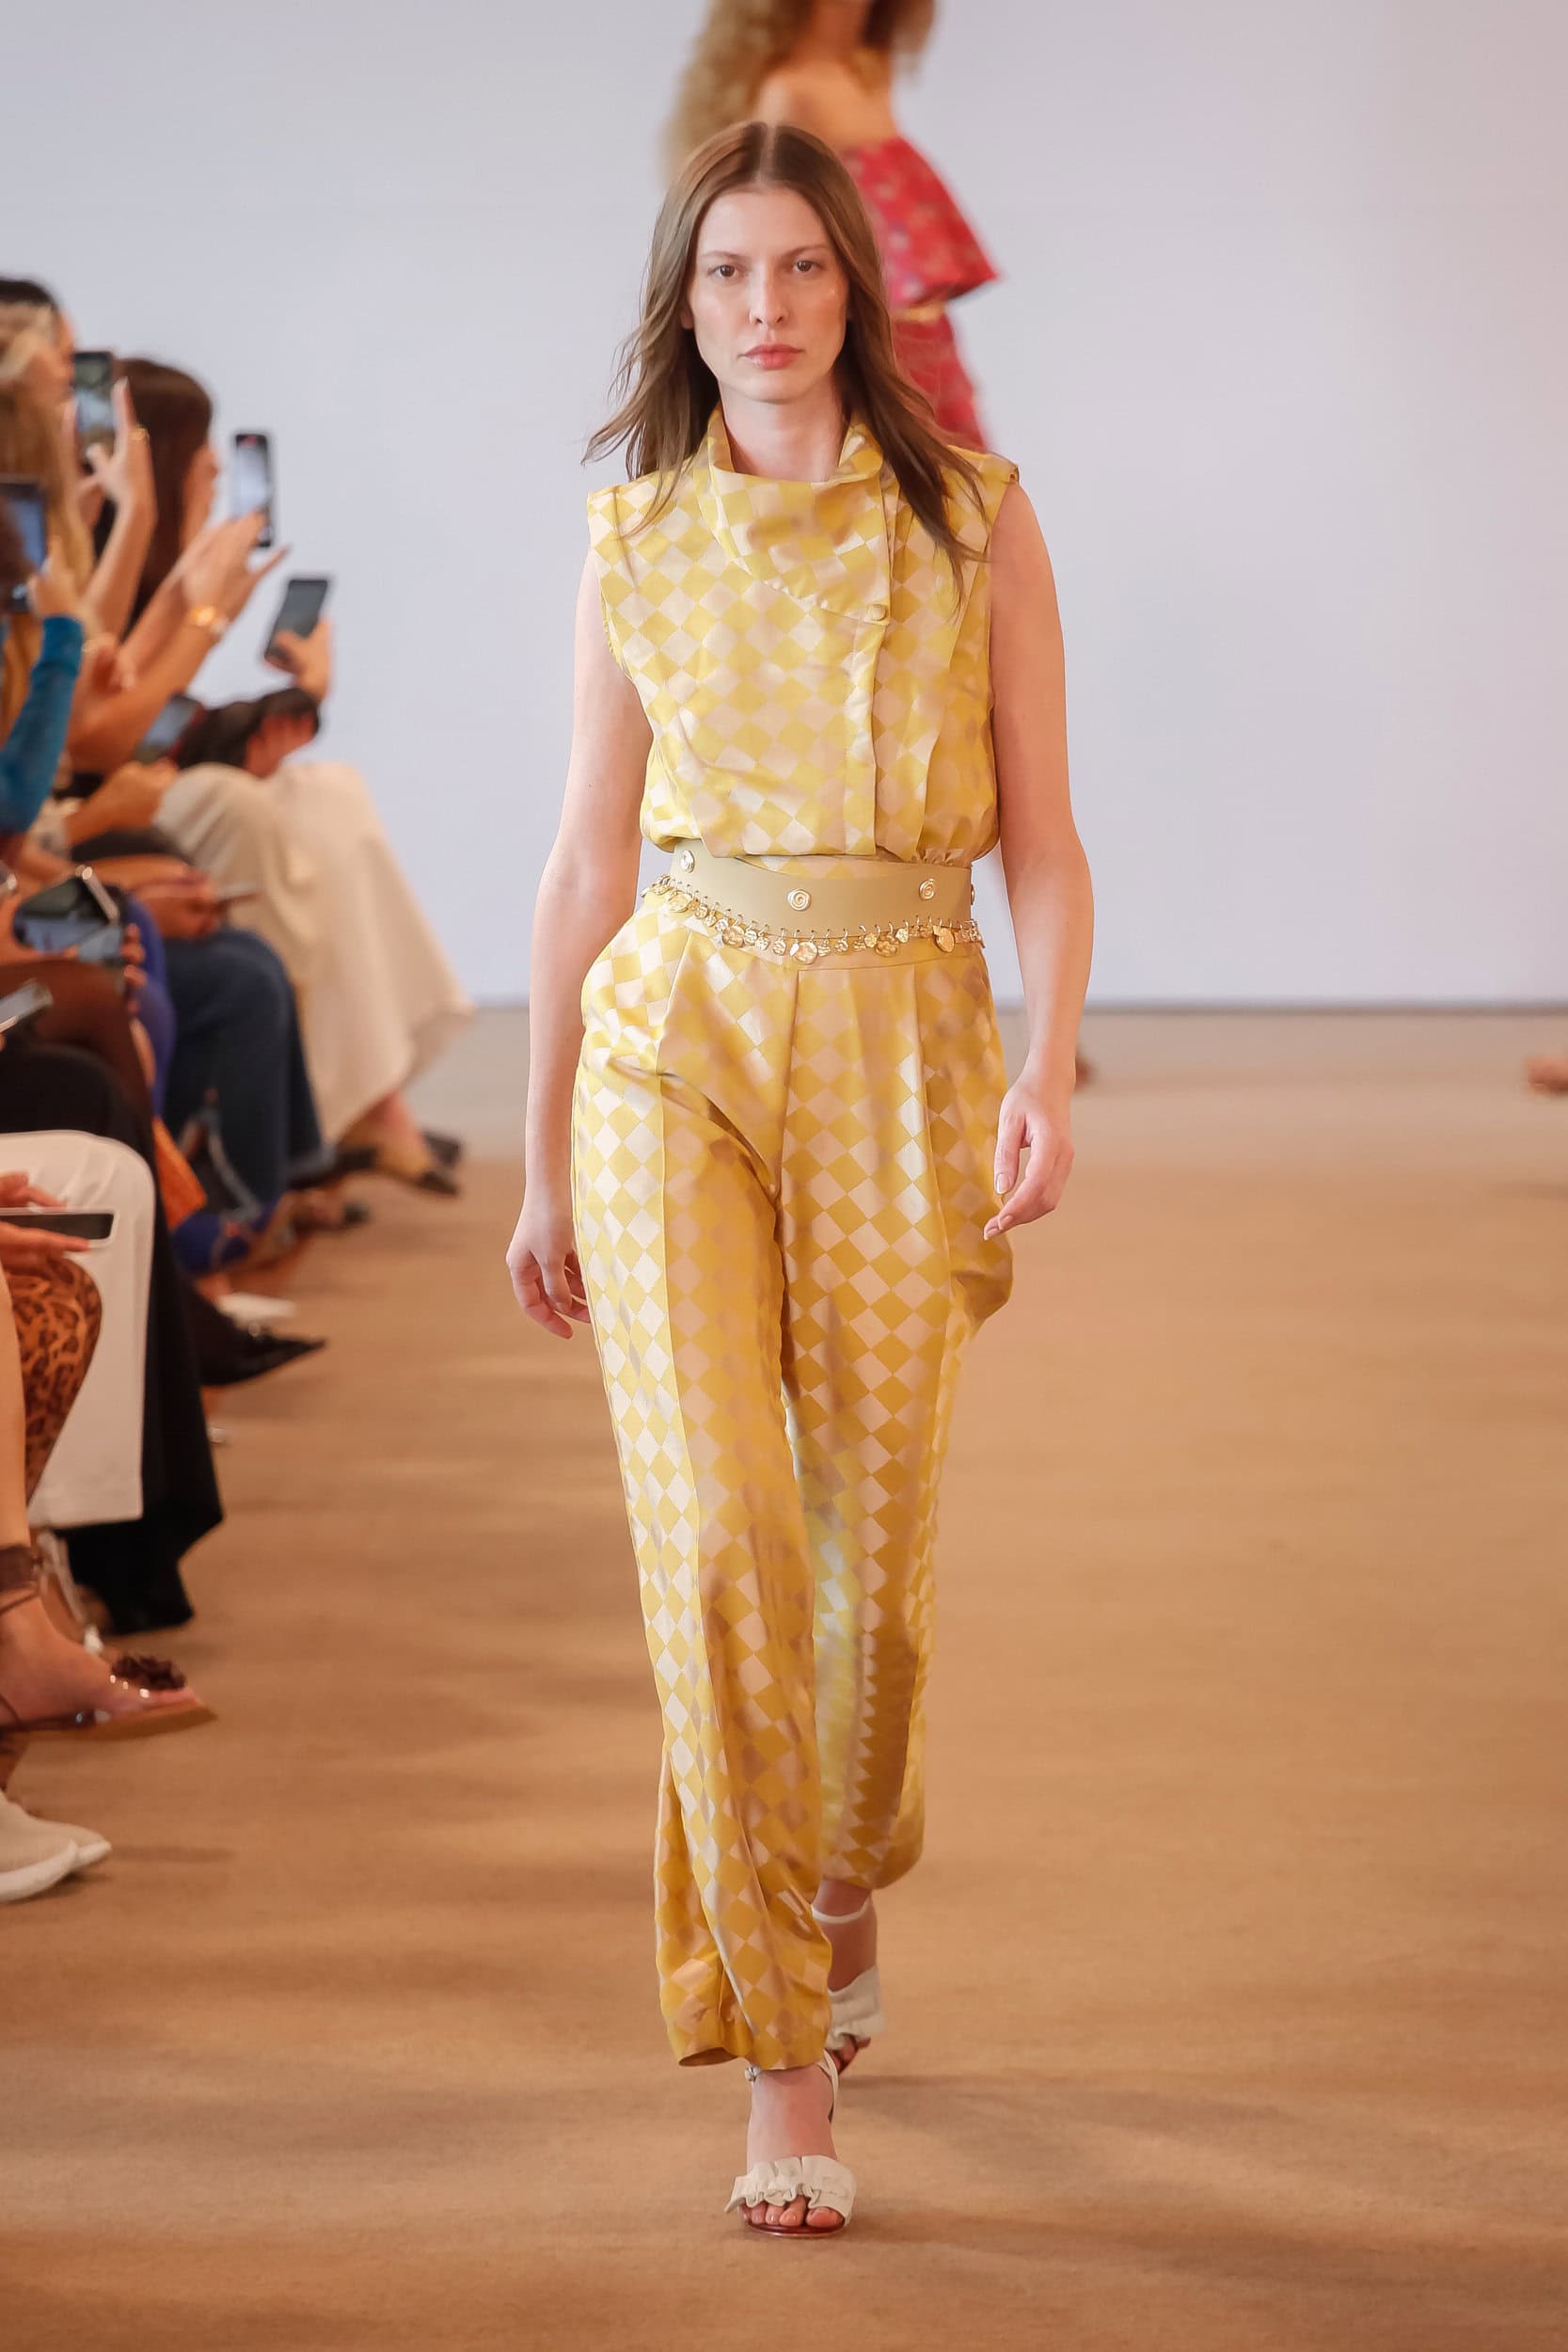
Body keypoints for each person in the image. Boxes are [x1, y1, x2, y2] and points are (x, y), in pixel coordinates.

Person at [505, 121, 1091, 2235]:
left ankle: (837, 1875)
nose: (765, 308)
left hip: (904, 1049)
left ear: (857, 286)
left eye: (801, 269)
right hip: (673, 1046)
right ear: (684, 304)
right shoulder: (636, 532)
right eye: (726, 274)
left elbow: (1046, 839)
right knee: (722, 1540)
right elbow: (587, 856)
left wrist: (1048, 1064)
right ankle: (778, 2067)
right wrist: (543, 1155)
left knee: (866, 1566)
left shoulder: (974, 519)